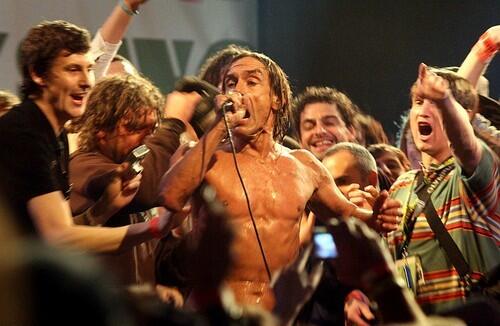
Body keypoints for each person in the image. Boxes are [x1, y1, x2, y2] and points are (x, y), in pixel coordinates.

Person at [159, 50, 401, 310]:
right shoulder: (205, 156)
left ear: (277, 99)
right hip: (215, 314)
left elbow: (345, 214)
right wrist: (220, 125)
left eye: (251, 82)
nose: (238, 91)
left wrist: (374, 219)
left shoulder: (304, 165)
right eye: (231, 83)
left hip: (278, 316)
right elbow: (170, 196)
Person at [0, 20, 178, 252]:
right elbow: (59, 238)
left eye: (89, 69)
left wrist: (104, 208)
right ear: (38, 74)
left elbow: (55, 235)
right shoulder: (23, 133)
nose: (87, 82)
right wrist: (153, 228)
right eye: (73, 69)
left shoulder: (53, 133)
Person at [348, 64, 499, 324]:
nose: (423, 110)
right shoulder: (400, 187)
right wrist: (360, 296)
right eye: (418, 101)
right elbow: (389, 270)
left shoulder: (477, 176)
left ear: (462, 116)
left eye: (435, 104)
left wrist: (445, 99)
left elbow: (467, 147)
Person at [69, 74, 192, 287]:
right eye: (135, 128)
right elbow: (146, 190)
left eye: (152, 130)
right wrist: (173, 124)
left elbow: (150, 254)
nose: (146, 139)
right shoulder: (82, 165)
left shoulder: (144, 170)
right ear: (101, 129)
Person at [292, 86, 358, 160]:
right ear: (299, 140)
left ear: (350, 131)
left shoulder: (368, 170)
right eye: (309, 126)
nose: (320, 131)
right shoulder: (287, 171)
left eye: (329, 123)